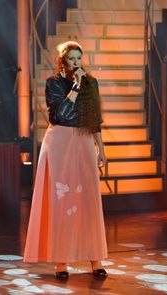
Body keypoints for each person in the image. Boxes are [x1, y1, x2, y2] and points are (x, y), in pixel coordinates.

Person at [23, 41, 108, 279]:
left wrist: (101, 149)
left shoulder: (91, 83)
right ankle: (60, 262)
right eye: (71, 59)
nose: (76, 63)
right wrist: (76, 87)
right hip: (59, 140)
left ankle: (95, 259)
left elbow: (94, 118)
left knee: (88, 199)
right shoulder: (53, 83)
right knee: (60, 199)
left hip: (83, 139)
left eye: (79, 58)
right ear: (62, 61)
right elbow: (60, 114)